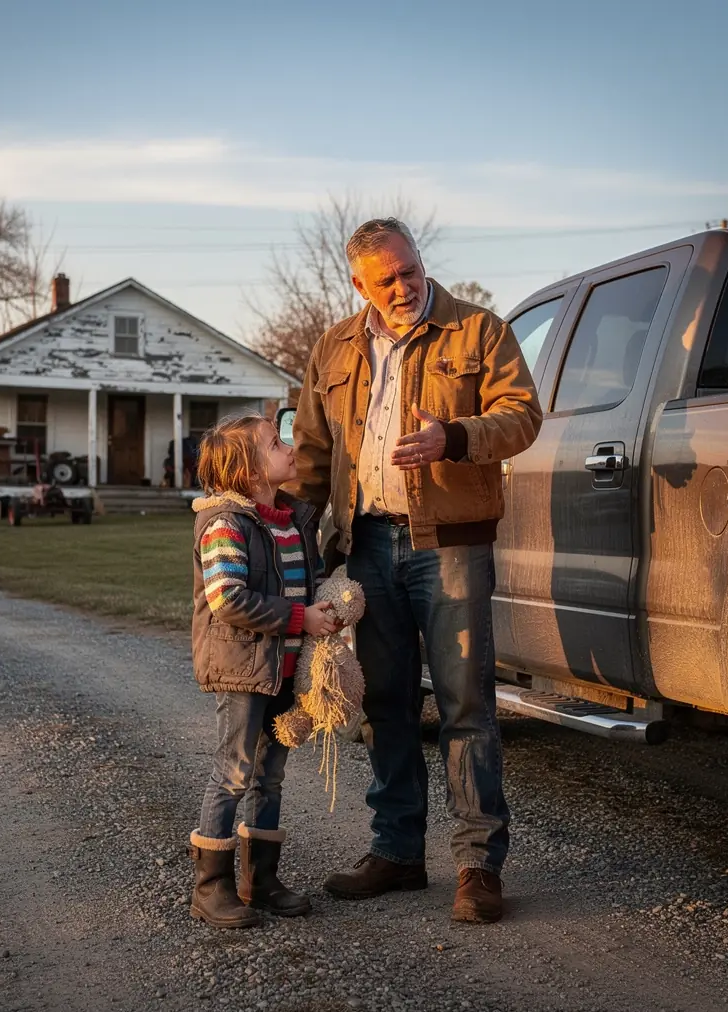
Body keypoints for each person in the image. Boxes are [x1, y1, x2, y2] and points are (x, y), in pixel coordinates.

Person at [283, 218, 542, 923]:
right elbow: (309, 449)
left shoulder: (478, 331)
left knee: (464, 702)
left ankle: (477, 867)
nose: (404, 286)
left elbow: (522, 417)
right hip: (366, 544)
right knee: (383, 703)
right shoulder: (334, 346)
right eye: (386, 278)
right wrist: (295, 539)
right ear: (359, 283)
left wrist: (453, 437)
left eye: (410, 269)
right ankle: (396, 852)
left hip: (450, 544)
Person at [187, 413, 338, 928]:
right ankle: (211, 887)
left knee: (269, 778)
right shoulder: (226, 524)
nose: (290, 448)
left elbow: (308, 579)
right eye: (277, 444)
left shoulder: (293, 519)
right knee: (233, 774)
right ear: (251, 472)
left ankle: (261, 880)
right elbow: (227, 598)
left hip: (283, 669)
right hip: (242, 671)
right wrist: (302, 618)